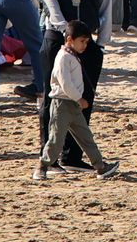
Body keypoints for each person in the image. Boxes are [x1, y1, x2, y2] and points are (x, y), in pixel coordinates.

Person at [35, 0, 111, 172]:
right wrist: (67, 35)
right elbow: (50, 5)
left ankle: (72, 156)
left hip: (87, 43)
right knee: (52, 97)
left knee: (84, 98)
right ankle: (49, 157)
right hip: (57, 39)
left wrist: (102, 43)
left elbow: (106, 7)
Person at [31, 20, 120, 181]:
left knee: (86, 137)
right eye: (82, 41)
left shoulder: (72, 56)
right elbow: (65, 83)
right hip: (62, 103)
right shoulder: (63, 57)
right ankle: (42, 166)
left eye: (86, 42)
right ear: (69, 40)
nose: (84, 45)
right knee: (56, 140)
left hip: (72, 105)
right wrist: (79, 98)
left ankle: (100, 166)